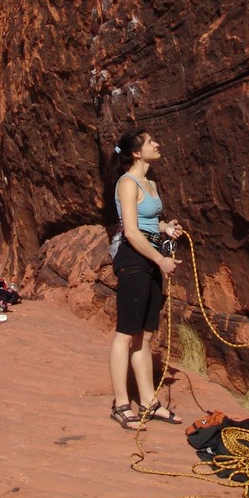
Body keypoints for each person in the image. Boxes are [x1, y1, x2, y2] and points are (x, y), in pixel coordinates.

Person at [107, 128, 184, 430]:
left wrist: (166, 228)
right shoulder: (127, 183)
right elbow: (130, 231)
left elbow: (150, 221)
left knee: (146, 335)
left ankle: (149, 402)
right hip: (133, 257)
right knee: (126, 333)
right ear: (136, 152)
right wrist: (161, 260)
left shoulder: (150, 183)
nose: (157, 143)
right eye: (151, 141)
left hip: (150, 257)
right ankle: (121, 404)